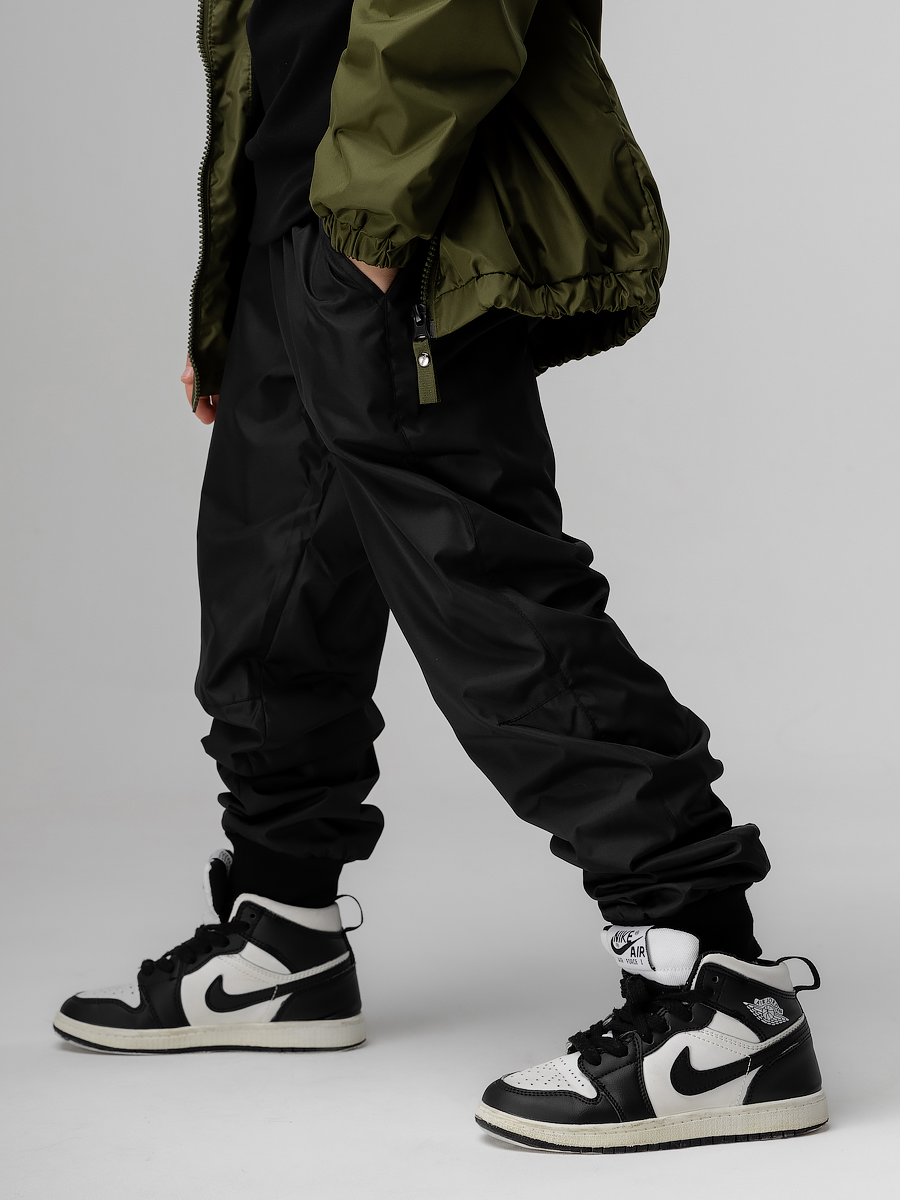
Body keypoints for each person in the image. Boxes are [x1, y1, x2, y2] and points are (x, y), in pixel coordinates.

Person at [53, 0, 827, 1153]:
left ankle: (720, 989)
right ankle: (282, 935)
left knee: (489, 597)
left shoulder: (379, 222)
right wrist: (252, 273)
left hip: (399, 218)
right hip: (296, 217)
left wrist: (365, 233)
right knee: (268, 586)